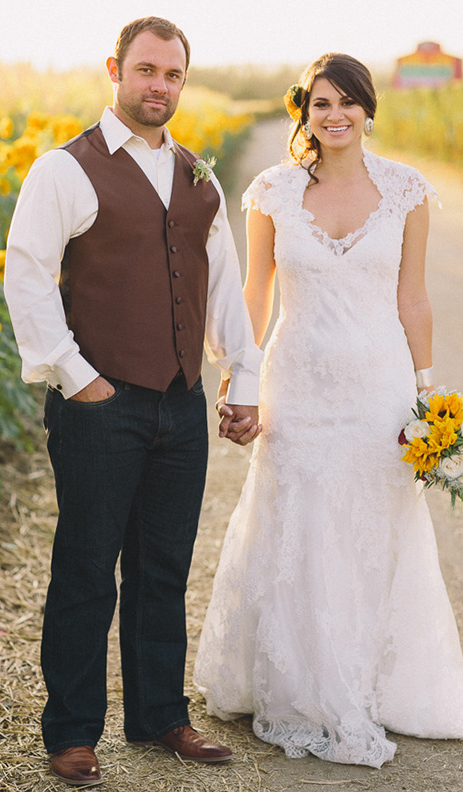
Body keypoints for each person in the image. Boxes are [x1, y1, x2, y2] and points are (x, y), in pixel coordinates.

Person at [4, 16, 262, 787]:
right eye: (146, 70)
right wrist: (72, 374)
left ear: (184, 82)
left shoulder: (198, 174)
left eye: (173, 75)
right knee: (85, 567)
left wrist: (239, 378)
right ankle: (73, 730)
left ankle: (158, 716)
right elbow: (26, 272)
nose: (159, 86)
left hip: (179, 405)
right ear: (115, 69)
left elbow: (223, 283)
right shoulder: (64, 168)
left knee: (163, 567)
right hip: (98, 401)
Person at [194, 52, 463, 769]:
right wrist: (239, 380)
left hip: (380, 385)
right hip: (299, 384)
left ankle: (380, 679)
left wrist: (427, 396)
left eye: (348, 102)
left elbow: (413, 298)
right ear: (304, 113)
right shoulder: (273, 192)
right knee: (299, 518)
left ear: (368, 109)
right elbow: (255, 294)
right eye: (321, 103)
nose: (335, 115)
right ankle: (300, 681)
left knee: (374, 523)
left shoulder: (407, 192)